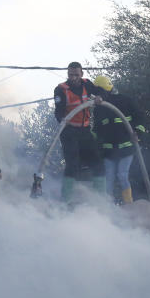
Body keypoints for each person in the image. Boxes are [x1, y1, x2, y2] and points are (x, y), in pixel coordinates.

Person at [53, 62, 109, 202]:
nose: (74, 78)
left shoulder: (87, 84)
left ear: (82, 74)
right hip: (69, 132)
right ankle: (66, 201)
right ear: (68, 74)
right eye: (71, 75)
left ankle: (100, 200)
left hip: (84, 131)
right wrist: (62, 119)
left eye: (76, 75)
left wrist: (100, 97)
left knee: (98, 163)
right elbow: (58, 112)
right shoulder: (61, 89)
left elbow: (102, 91)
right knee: (72, 165)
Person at [92, 74, 147, 204]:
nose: (96, 95)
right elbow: (97, 130)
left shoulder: (125, 101)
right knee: (109, 179)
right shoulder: (99, 109)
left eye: (98, 92)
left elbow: (141, 118)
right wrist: (90, 140)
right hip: (109, 152)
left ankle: (129, 204)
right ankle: (107, 207)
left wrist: (138, 132)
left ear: (104, 90)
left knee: (122, 175)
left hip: (126, 148)